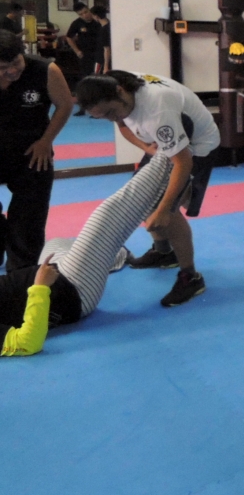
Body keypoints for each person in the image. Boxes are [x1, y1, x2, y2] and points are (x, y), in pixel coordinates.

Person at [1, 154, 173, 356]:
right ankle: (171, 153)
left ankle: (112, 255)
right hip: (74, 287)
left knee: (57, 243)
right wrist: (40, 287)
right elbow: (28, 343)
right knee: (108, 214)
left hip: (54, 271)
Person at [75, 70, 220, 307]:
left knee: (168, 214)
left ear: (120, 92)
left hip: (196, 147)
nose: (111, 118)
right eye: (103, 117)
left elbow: (183, 162)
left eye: (110, 112)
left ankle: (191, 277)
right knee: (142, 197)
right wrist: (146, 147)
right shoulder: (115, 87)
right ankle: (164, 253)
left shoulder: (157, 111)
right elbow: (121, 122)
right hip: (167, 144)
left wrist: (164, 209)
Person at [0, 30, 74, 272]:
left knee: (29, 217)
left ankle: (22, 273)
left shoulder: (45, 70)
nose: (12, 71)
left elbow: (65, 105)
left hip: (33, 152)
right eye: (3, 67)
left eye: (16, 62)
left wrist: (46, 141)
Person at [65, 3, 102, 84]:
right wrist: (77, 51)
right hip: (85, 54)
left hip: (99, 52)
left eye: (85, 12)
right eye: (81, 14)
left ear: (89, 9)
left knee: (100, 76)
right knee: (86, 77)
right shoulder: (77, 23)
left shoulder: (98, 20)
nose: (84, 15)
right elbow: (69, 37)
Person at [91, 5, 111, 73]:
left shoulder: (104, 30)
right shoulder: (109, 26)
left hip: (101, 60)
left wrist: (106, 66)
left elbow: (107, 49)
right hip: (105, 59)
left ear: (96, 16)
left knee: (97, 77)